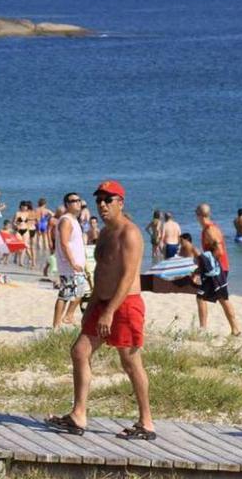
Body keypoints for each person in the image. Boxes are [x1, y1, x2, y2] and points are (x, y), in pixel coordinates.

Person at [45, 180, 155, 440]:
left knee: (130, 361)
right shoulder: (105, 233)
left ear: (121, 202)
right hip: (101, 303)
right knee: (80, 351)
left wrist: (109, 311)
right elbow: (102, 271)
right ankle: (78, 414)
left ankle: (146, 422)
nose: (103, 205)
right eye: (99, 201)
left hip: (125, 304)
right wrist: (93, 303)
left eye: (109, 200)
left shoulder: (130, 233)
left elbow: (128, 276)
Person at [195, 203, 241, 336]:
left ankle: (203, 330)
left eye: (196, 213)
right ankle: (235, 329)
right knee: (219, 298)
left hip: (217, 270)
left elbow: (219, 251)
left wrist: (207, 263)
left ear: (199, 215)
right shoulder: (209, 228)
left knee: (204, 297)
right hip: (217, 269)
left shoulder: (210, 230)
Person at [52, 192, 87, 328]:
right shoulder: (66, 220)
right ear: (67, 204)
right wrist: (72, 262)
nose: (78, 203)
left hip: (77, 264)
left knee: (80, 291)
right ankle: (56, 325)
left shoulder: (74, 220)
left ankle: (69, 316)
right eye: (74, 201)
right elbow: (64, 243)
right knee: (65, 294)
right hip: (69, 265)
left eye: (79, 200)